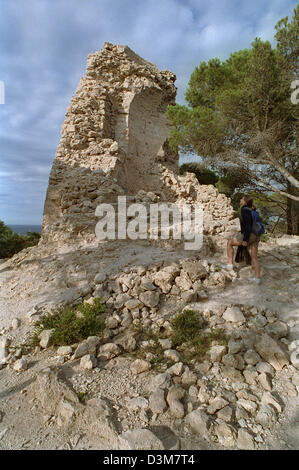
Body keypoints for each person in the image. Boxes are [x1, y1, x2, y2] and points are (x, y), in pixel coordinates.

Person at [222, 195, 261, 283]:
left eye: (242, 199)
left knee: (229, 243)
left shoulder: (244, 209)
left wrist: (245, 240)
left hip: (249, 235)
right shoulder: (252, 209)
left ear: (245, 201)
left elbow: (248, 226)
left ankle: (229, 264)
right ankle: (257, 278)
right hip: (256, 235)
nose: (240, 200)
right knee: (254, 257)